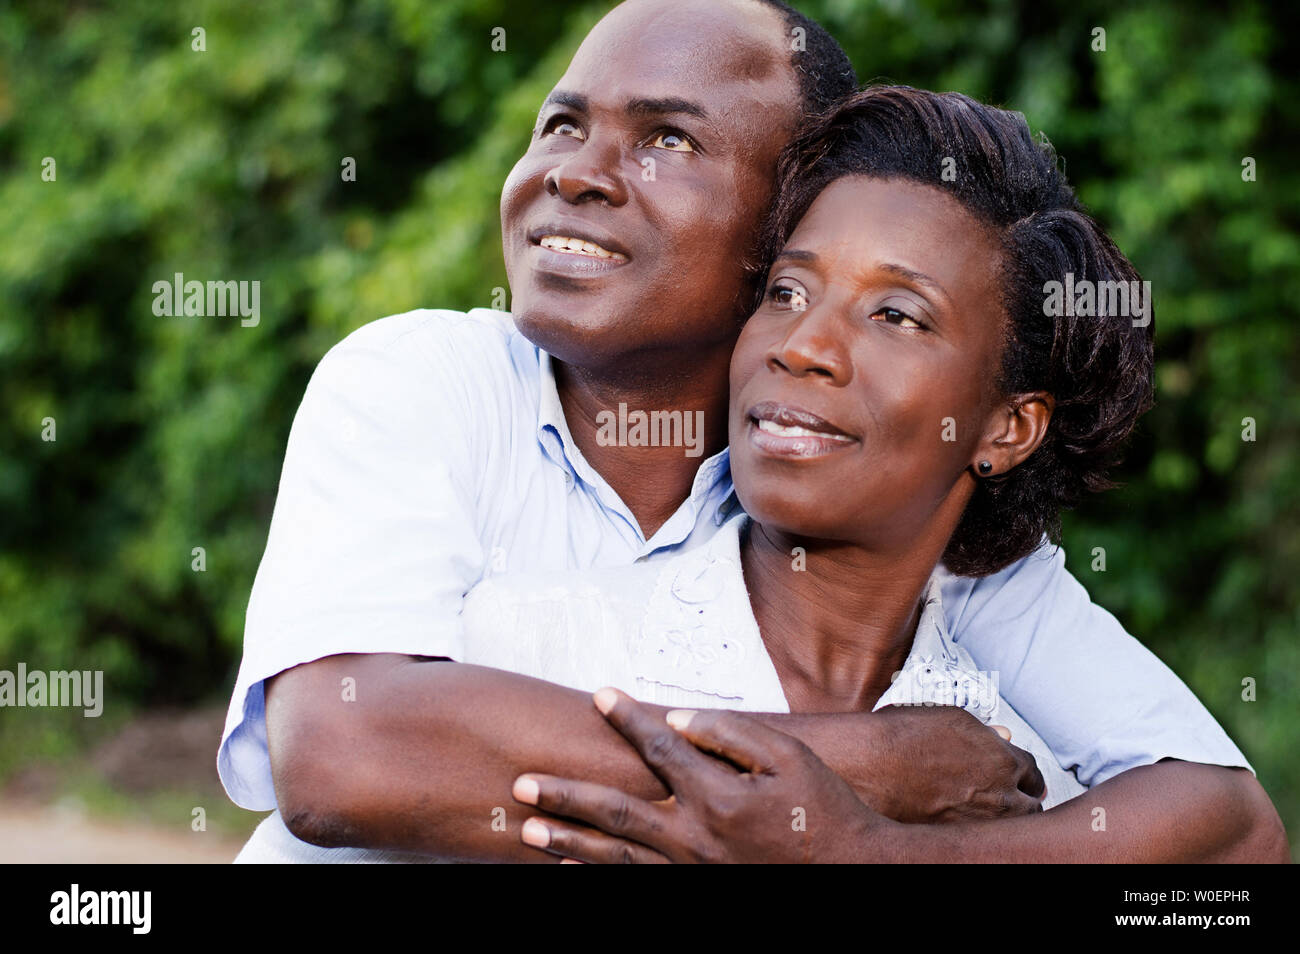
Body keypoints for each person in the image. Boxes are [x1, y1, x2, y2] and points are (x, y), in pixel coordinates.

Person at [218, 0, 1285, 862]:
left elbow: (1225, 829)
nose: (573, 175)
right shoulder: (434, 390)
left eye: (666, 139)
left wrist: (872, 850)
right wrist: (857, 774)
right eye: (560, 123)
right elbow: (347, 750)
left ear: (782, 215)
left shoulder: (913, 543)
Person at [497, 85, 1288, 861]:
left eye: (896, 316)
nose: (801, 345)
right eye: (786, 290)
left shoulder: (1022, 778)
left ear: (1009, 427)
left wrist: (867, 848)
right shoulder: (532, 648)